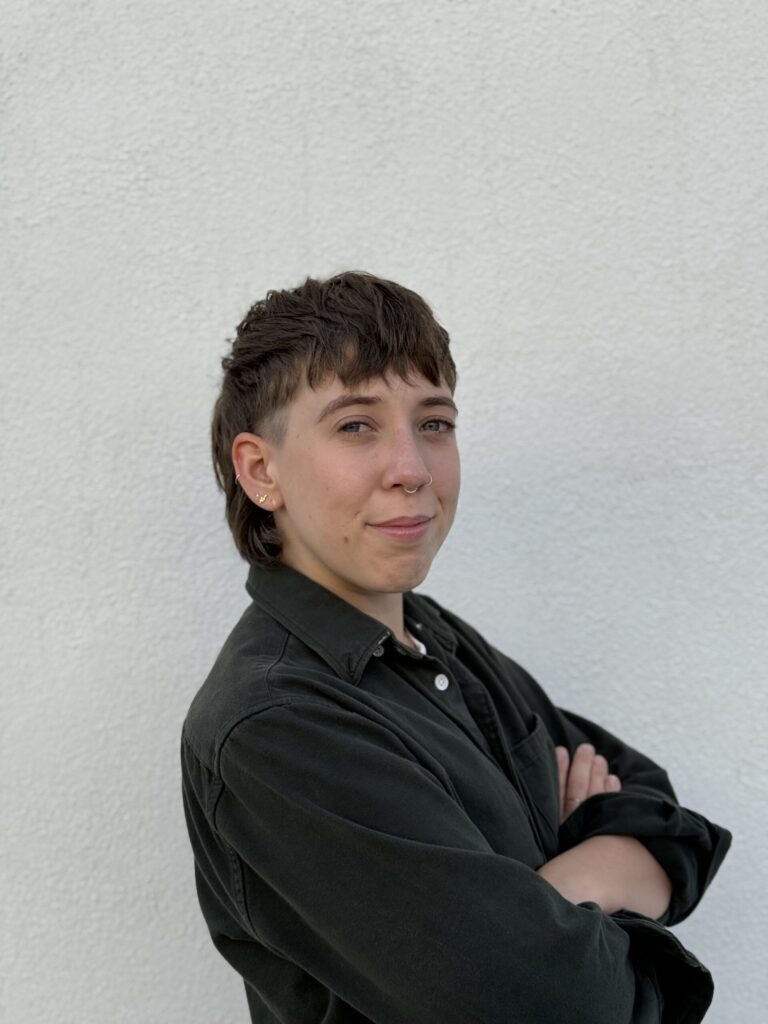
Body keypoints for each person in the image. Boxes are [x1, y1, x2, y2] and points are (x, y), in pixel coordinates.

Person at [181, 271, 731, 1023]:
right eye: (355, 425)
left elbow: (667, 821)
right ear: (261, 470)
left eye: (434, 423)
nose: (411, 469)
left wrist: (546, 908)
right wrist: (589, 878)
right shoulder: (274, 725)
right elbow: (562, 1003)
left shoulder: (432, 638)